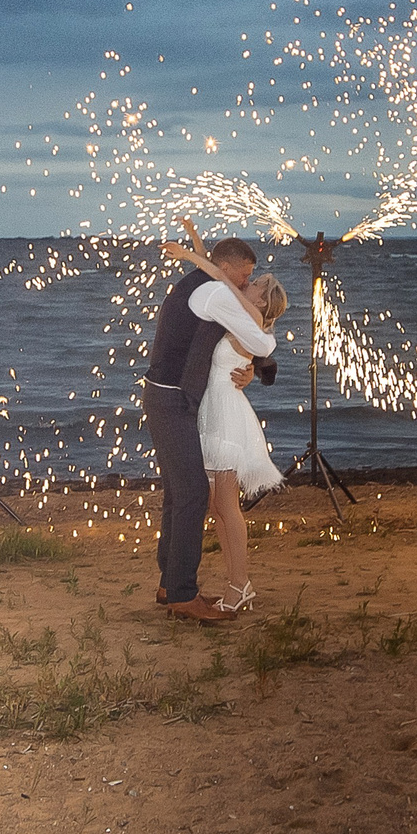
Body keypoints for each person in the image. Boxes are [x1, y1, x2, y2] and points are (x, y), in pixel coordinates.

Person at [140, 229, 274, 621]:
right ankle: (183, 594)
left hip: (166, 396)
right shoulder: (216, 293)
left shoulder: (203, 283)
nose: (247, 283)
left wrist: (249, 369)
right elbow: (262, 342)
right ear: (226, 267)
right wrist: (260, 357)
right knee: (193, 494)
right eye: (245, 275)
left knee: (178, 493)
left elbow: (233, 345)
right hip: (174, 400)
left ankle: (170, 583)